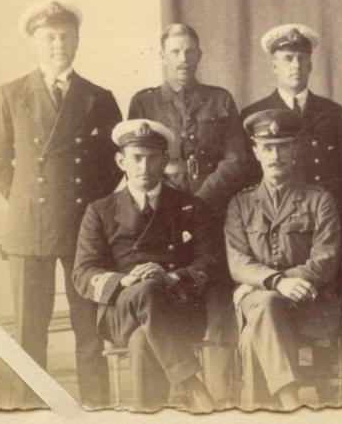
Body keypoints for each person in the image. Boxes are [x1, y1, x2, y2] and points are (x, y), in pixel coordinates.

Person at [0, 0, 121, 407]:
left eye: (65, 36)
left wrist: (89, 210)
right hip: (28, 229)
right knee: (29, 329)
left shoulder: (99, 97)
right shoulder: (10, 95)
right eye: (49, 37)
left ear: (77, 41)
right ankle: (30, 406)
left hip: (82, 227)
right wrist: (25, 200)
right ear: (35, 44)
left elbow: (112, 165)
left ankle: (96, 405)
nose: (58, 44)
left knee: (88, 326)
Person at [127, 23, 247, 405]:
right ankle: (174, 392)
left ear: (200, 55)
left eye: (190, 51)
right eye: (175, 52)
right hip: (164, 215)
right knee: (165, 287)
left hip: (211, 212)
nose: (183, 59)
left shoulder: (221, 99)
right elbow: (139, 161)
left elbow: (238, 159)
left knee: (217, 291)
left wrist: (202, 197)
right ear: (162, 55)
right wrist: (175, 197)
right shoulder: (144, 102)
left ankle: (221, 395)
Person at [72, 119, 220, 411]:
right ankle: (192, 385)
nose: (144, 166)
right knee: (146, 289)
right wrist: (126, 282)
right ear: (121, 161)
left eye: (152, 158)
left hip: (179, 308)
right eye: (136, 158)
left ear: (164, 160)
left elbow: (211, 261)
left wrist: (172, 277)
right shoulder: (100, 211)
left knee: (142, 339)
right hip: (121, 310)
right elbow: (83, 271)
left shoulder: (190, 206)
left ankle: (147, 413)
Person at [225, 109, 342, 410]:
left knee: (253, 337)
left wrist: (290, 283)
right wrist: (278, 282)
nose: (274, 155)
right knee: (265, 303)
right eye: (267, 147)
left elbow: (325, 259)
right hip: (260, 296)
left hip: (308, 301)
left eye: (282, 146)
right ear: (255, 151)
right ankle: (290, 401)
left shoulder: (319, 200)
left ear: (294, 149)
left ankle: (264, 411)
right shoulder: (240, 204)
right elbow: (238, 262)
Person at [240, 24, 342, 279]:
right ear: (274, 65)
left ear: (311, 65)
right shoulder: (255, 115)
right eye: (288, 59)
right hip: (277, 231)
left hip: (324, 227)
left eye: (301, 59)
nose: (295, 66)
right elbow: (250, 183)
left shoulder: (332, 112)